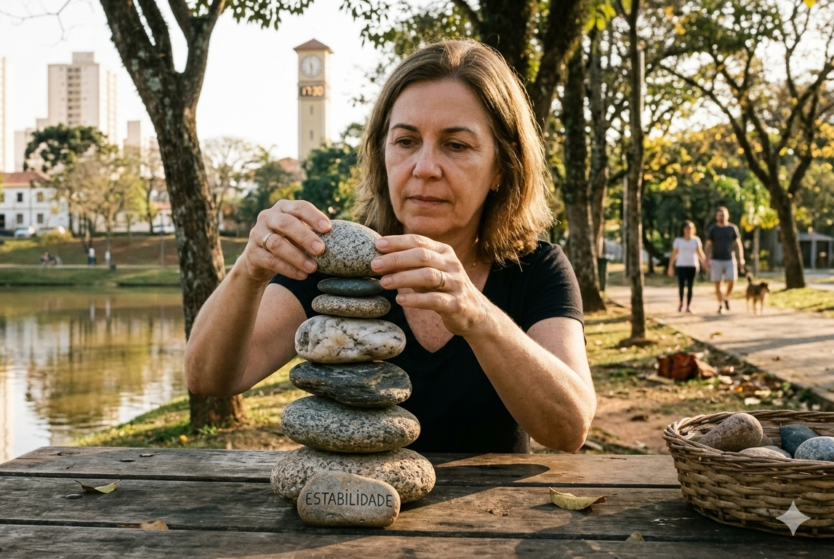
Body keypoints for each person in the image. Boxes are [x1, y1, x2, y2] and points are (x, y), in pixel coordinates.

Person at [185, 40, 594, 454]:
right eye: (405, 141)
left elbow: (569, 430)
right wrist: (249, 269)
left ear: (501, 170)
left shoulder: (537, 268)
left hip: (487, 516)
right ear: (382, 153)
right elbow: (209, 379)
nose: (424, 168)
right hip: (351, 510)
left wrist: (477, 315)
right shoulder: (333, 264)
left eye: (456, 145)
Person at [704, 207, 745, 314]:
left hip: (729, 258)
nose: (721, 217)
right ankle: (720, 305)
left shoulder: (732, 228)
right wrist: (706, 259)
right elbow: (708, 245)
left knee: (732, 280)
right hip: (716, 259)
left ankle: (726, 297)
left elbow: (737, 244)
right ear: (716, 216)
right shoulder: (713, 229)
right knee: (717, 284)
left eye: (723, 215)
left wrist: (740, 258)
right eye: (719, 215)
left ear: (727, 215)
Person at [667, 221, 708, 313]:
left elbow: (699, 253)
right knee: (681, 285)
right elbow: (674, 254)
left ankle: (688, 305)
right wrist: (670, 266)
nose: (688, 230)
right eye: (686, 228)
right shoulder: (678, 240)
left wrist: (705, 262)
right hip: (681, 265)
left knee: (690, 286)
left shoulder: (696, 240)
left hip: (692, 265)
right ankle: (681, 303)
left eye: (690, 228)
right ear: (683, 229)